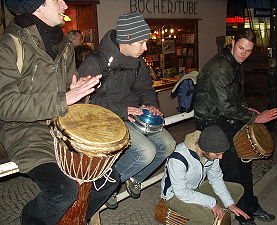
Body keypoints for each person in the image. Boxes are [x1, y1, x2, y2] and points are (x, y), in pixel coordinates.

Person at [0, 0, 119, 224]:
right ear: (36, 5)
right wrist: (63, 98)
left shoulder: (64, 45)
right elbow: (5, 104)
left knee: (110, 182)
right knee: (62, 192)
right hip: (26, 132)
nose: (65, 4)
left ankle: (74, 219)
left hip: (62, 126)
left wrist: (74, 90)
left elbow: (64, 93)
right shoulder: (7, 46)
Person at [78, 12, 176, 207]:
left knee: (168, 145)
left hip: (133, 113)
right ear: (127, 40)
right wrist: (123, 110)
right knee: (145, 152)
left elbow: (145, 89)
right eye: (141, 43)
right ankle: (106, 186)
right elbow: (84, 104)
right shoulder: (95, 62)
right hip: (107, 117)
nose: (145, 48)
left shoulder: (138, 62)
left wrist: (151, 105)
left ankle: (133, 177)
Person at [193, 28, 277, 225]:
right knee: (232, 168)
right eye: (241, 48)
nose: (244, 54)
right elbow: (225, 107)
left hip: (226, 116)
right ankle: (242, 215)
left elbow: (238, 96)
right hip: (211, 121)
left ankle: (251, 205)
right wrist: (254, 117)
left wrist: (247, 108)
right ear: (232, 43)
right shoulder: (219, 67)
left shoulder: (236, 62)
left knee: (245, 162)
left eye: (248, 51)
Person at [161, 126, 250, 225]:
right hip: (174, 195)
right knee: (207, 219)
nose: (220, 157)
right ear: (204, 149)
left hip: (196, 187)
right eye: (217, 154)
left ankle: (212, 214)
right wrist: (211, 203)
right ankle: (206, 217)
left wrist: (230, 204)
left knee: (238, 189)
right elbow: (181, 192)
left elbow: (216, 179)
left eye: (221, 153)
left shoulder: (212, 153)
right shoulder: (178, 158)